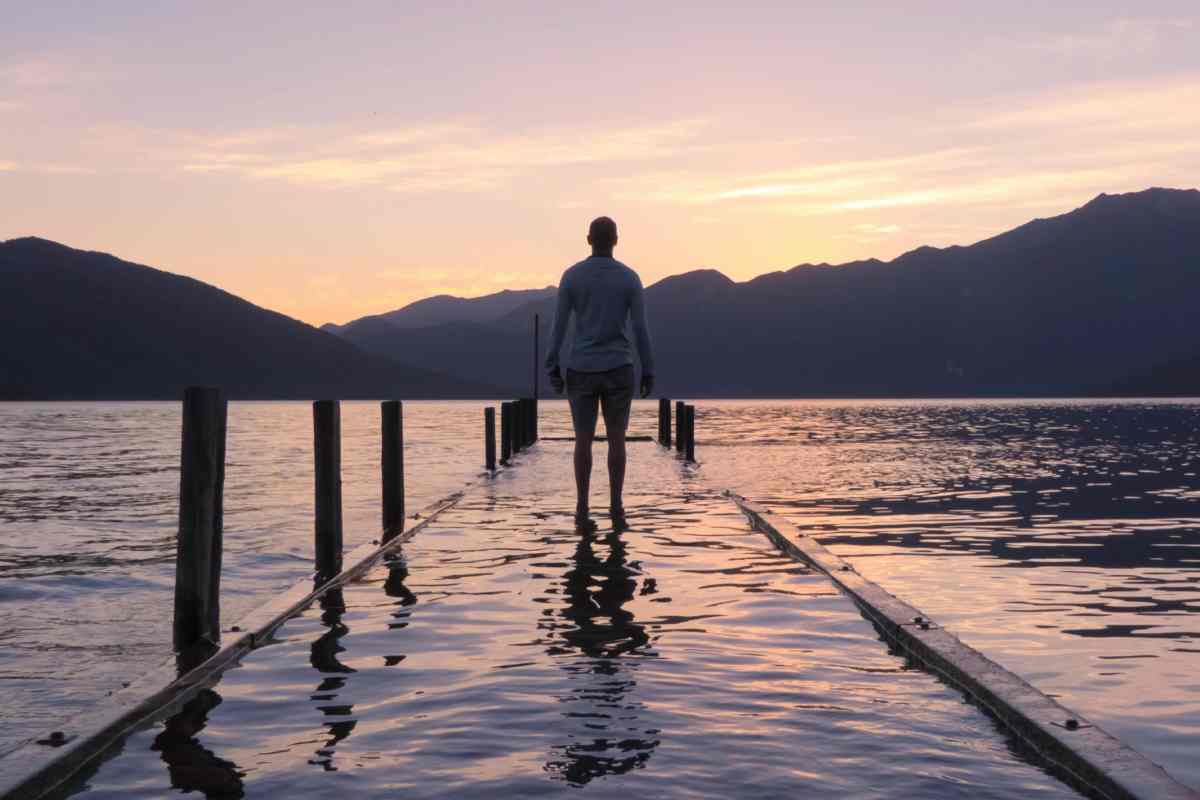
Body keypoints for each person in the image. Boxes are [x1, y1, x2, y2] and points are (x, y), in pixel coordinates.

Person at [545, 216, 655, 531]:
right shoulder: (629, 278)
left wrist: (552, 364)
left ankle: (582, 506)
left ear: (589, 239)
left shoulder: (572, 277)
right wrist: (648, 369)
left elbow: (560, 326)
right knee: (617, 439)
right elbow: (639, 329)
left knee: (583, 439)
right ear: (616, 240)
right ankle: (616, 505)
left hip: (580, 367)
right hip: (620, 367)